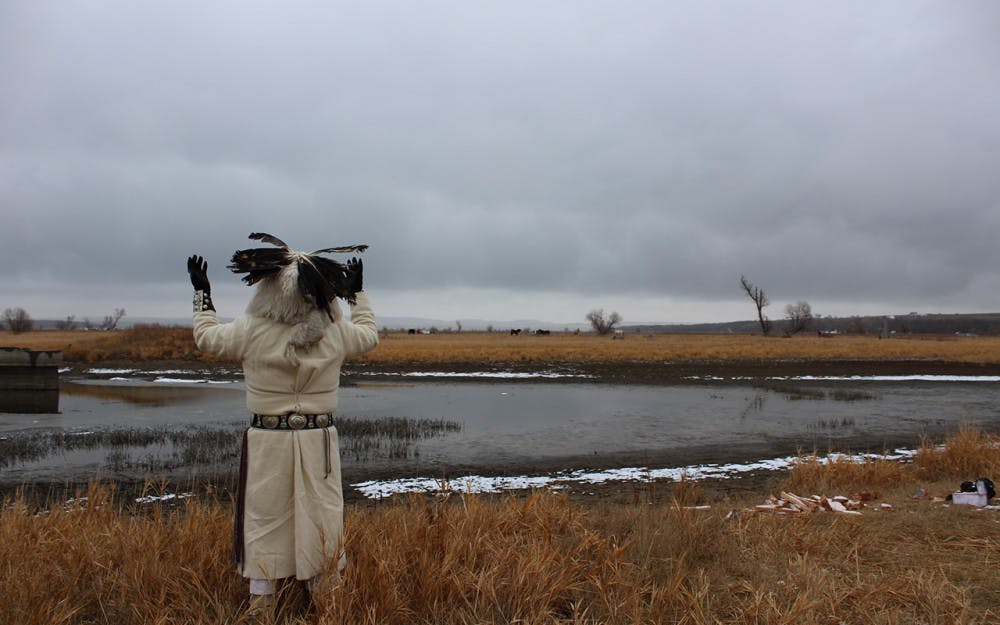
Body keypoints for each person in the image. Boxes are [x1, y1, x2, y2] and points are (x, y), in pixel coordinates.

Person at [186, 232, 378, 612]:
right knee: (322, 514)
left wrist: (202, 295)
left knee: (265, 515)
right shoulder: (335, 330)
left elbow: (206, 337)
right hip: (318, 439)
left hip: (268, 438)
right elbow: (369, 335)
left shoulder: (250, 329)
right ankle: (329, 600)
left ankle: (263, 604)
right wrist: (357, 295)